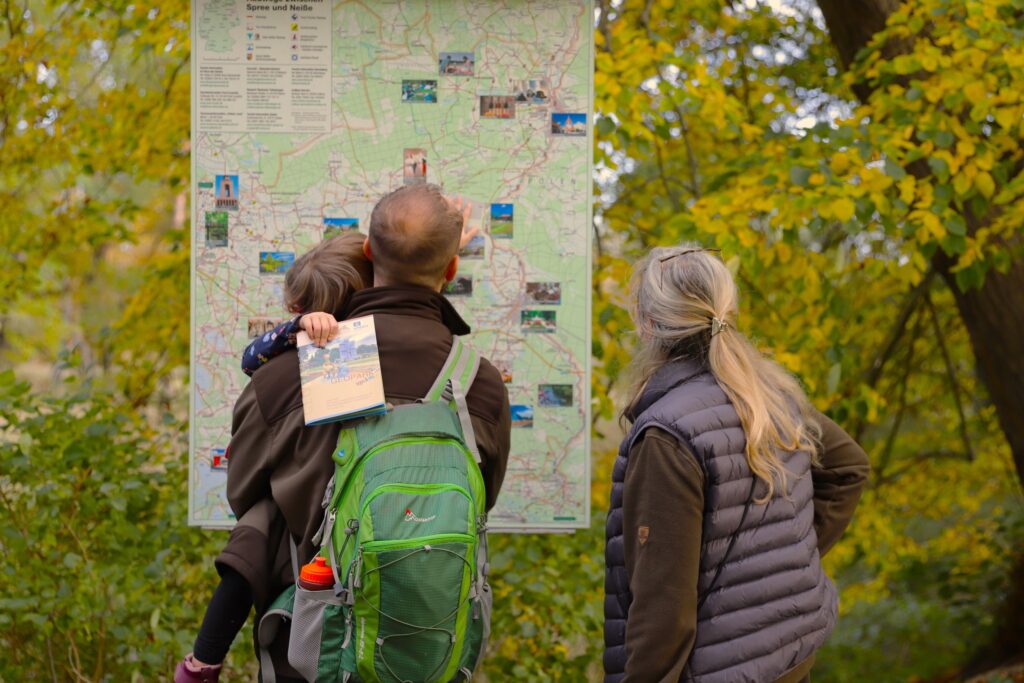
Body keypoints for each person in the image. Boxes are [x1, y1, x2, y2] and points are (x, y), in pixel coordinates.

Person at [218, 184, 510, 682]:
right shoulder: (478, 384)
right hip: (432, 649)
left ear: (370, 251)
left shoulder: (293, 373)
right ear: (452, 270)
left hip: (311, 645)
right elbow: (483, 498)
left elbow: (243, 492)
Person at [604, 245, 870, 683]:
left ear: (646, 322)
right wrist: (780, 563)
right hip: (786, 658)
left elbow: (663, 615)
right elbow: (849, 469)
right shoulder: (769, 394)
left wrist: (778, 561)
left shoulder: (666, 435)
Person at [175, 233, 372, 682]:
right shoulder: (397, 355)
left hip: (309, 553)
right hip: (373, 540)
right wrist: (297, 332)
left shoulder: (285, 377)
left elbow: (242, 487)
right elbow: (253, 354)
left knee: (258, 522)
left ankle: (204, 660)